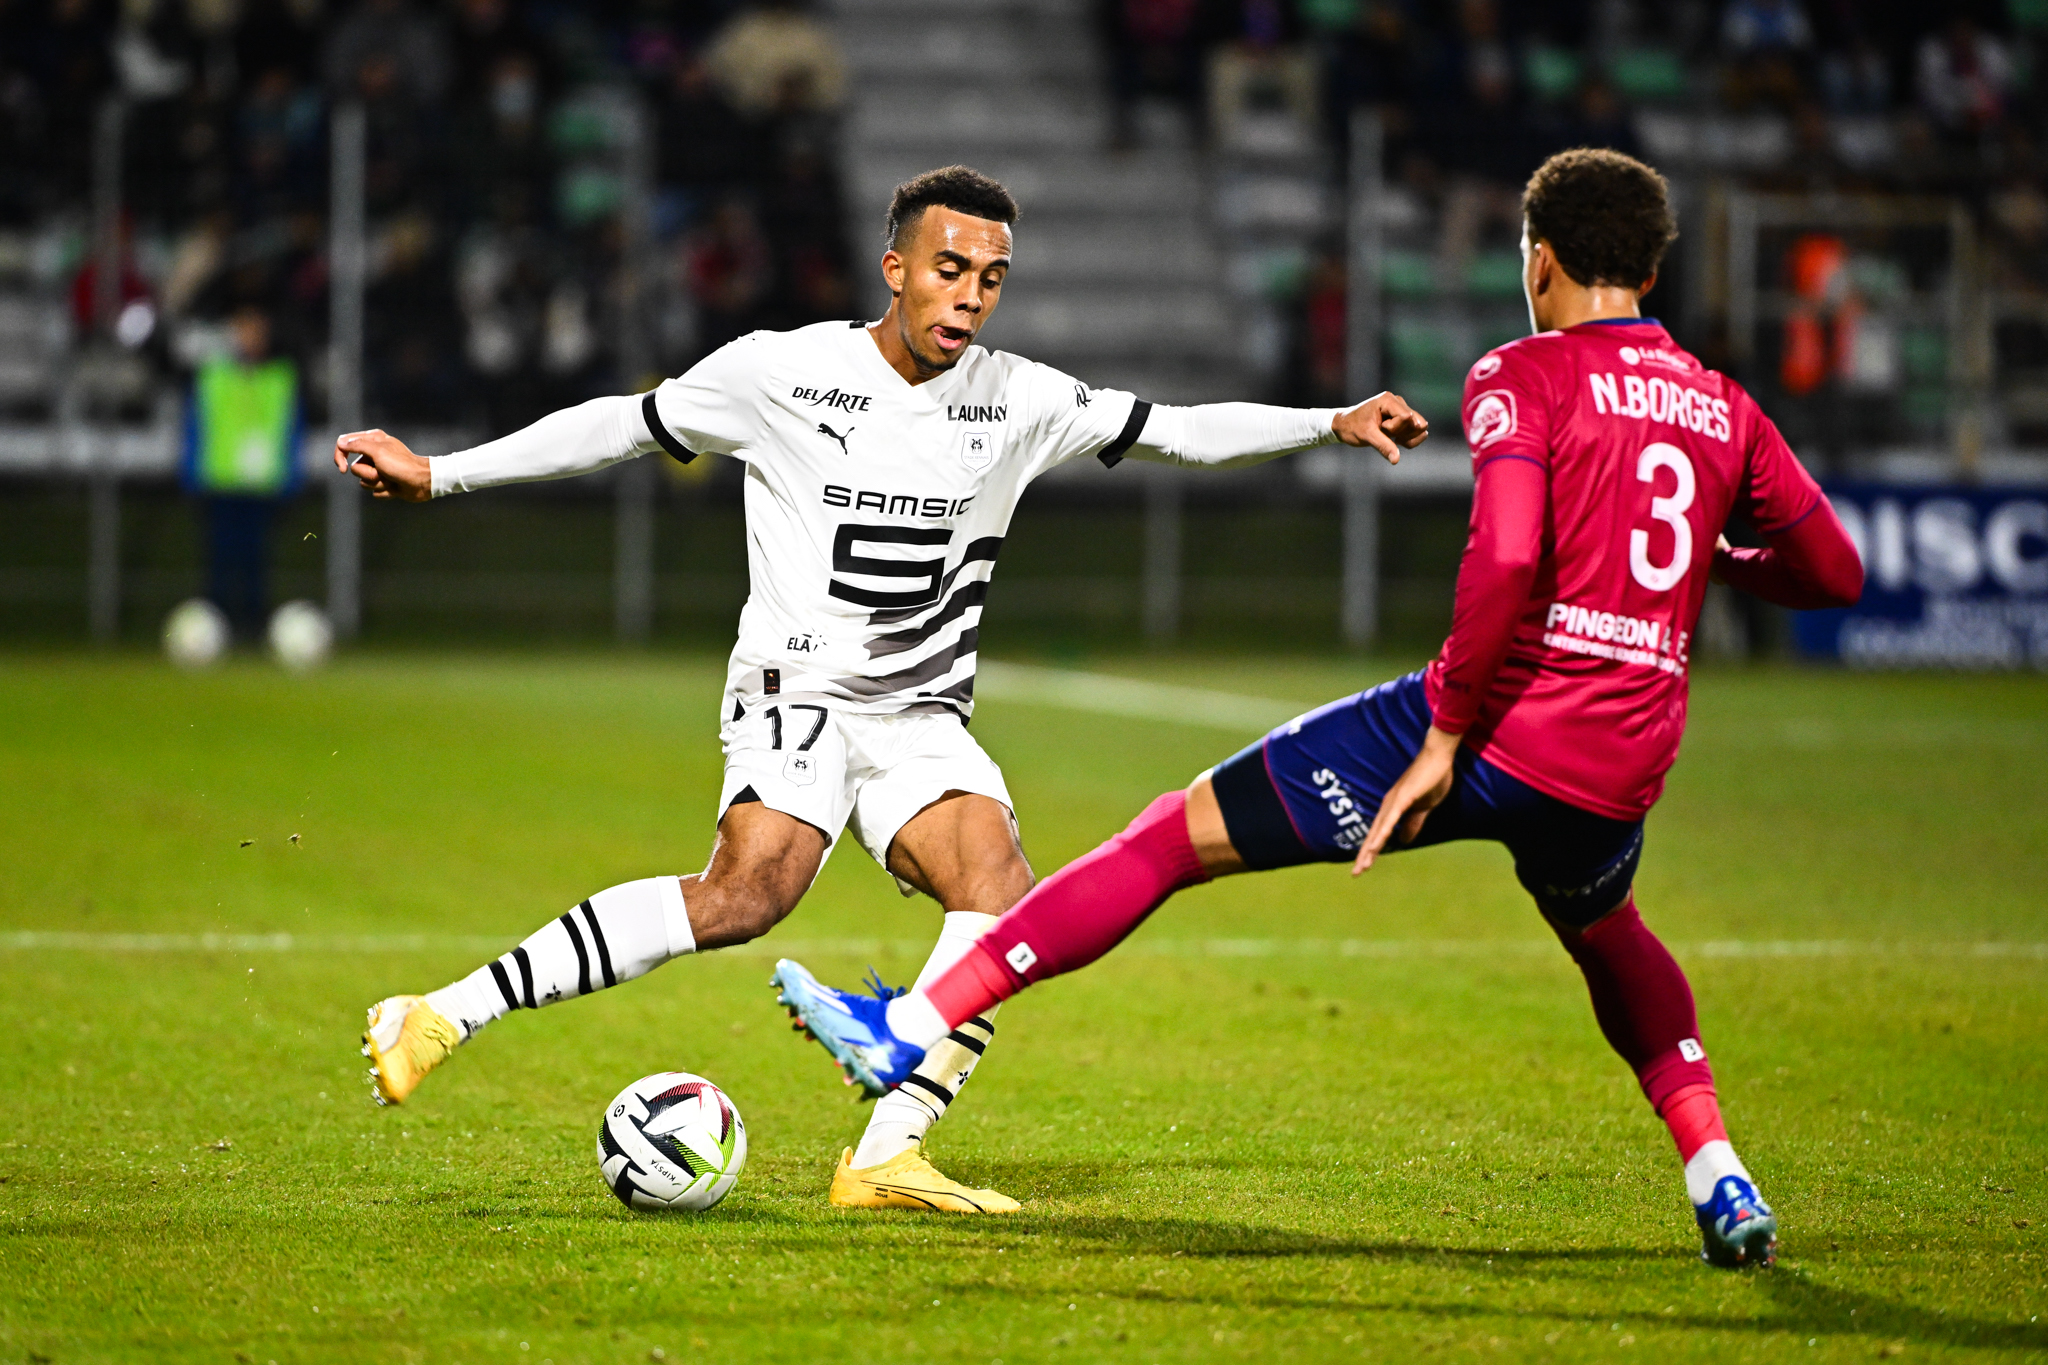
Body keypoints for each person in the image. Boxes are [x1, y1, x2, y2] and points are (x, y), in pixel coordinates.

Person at [772, 149, 1863, 1265]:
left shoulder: (1523, 375)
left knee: (1169, 837)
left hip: (1489, 726)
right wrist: (1706, 559)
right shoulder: (1719, 404)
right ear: (1650, 265)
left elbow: (1503, 556)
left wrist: (1444, 732)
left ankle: (903, 1026)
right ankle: (1717, 1174)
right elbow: (1831, 573)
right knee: (1605, 931)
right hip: (1617, 762)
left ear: (1539, 261)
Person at [333, 165, 1429, 1212]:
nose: (970, 297)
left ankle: (884, 1157)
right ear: (894, 268)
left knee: (998, 891)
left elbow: (1179, 432)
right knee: (750, 894)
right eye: (949, 268)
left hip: (917, 714)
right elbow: (624, 424)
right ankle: (438, 1014)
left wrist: (1325, 423)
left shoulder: (1019, 399)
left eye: (991, 278)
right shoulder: (780, 372)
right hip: (794, 683)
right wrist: (443, 471)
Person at [182, 304, 305, 641]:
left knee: (257, 567)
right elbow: (197, 428)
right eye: (244, 331)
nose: (250, 339)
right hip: (220, 484)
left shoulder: (279, 379)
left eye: (256, 331)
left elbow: (291, 432)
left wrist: (291, 482)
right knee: (218, 566)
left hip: (262, 487)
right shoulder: (214, 376)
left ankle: (251, 630)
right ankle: (212, 632)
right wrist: (191, 478)